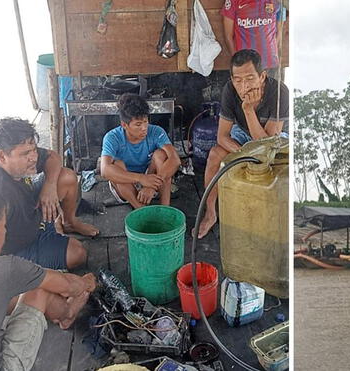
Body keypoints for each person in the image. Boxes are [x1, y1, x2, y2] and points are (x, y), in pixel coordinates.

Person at [0, 187, 96, 371]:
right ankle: (67, 313)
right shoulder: (5, 268)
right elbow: (69, 286)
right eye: (3, 227)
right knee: (38, 290)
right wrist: (86, 282)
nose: (6, 232)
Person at [0, 117, 97, 270]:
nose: (34, 157)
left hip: (30, 210)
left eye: (34, 150)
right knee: (78, 254)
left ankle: (68, 223)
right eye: (25, 154)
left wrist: (50, 186)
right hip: (17, 246)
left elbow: (52, 156)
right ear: (2, 156)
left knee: (66, 177)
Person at [197, 49, 288, 238]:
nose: (243, 86)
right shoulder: (230, 91)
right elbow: (222, 137)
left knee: (274, 169)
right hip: (242, 133)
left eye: (249, 78)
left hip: (273, 137)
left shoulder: (279, 93)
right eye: (238, 80)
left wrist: (248, 110)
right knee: (215, 155)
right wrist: (243, 155)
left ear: (262, 76)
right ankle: (210, 212)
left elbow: (265, 145)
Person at [100, 93, 181, 209]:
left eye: (145, 122)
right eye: (138, 124)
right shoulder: (112, 137)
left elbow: (175, 160)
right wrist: (141, 179)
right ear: (124, 125)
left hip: (151, 179)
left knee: (160, 155)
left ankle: (165, 209)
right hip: (125, 185)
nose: (144, 128)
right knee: (117, 164)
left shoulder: (156, 131)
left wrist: (151, 186)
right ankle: (141, 209)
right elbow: (104, 170)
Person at [222, 0, 285, 78]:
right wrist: (237, 64)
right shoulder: (232, 2)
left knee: (272, 89)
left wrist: (274, 55)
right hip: (245, 67)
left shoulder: (277, 2)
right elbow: (228, 36)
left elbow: (279, 32)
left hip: (270, 65)